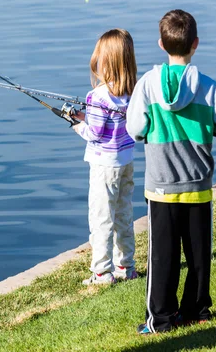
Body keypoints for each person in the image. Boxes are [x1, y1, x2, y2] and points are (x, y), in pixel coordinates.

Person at [126, 9, 216, 335]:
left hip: (161, 187)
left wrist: (150, 129)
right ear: (196, 44)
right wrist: (210, 128)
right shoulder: (208, 86)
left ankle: (160, 320)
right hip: (198, 185)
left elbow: (135, 128)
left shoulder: (148, 84)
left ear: (161, 44)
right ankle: (196, 311)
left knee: (162, 257)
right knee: (198, 255)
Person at [72, 28, 138, 285]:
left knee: (101, 217)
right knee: (123, 213)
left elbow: (95, 134)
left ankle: (102, 271)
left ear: (105, 62)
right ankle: (126, 266)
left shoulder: (97, 96)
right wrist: (84, 117)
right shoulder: (133, 92)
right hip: (126, 161)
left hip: (103, 165)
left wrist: (77, 124)